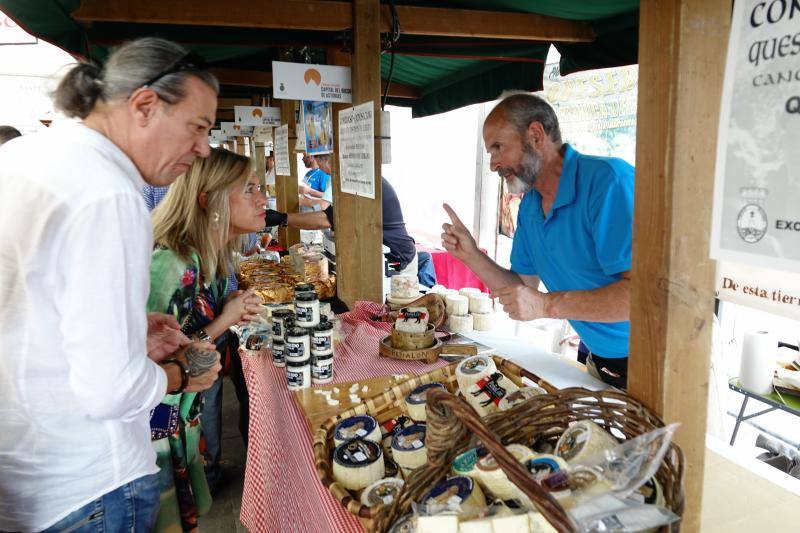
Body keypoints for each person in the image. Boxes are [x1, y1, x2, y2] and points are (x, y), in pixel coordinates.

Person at [0, 37, 222, 532]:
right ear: (144, 105)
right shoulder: (109, 193)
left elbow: (33, 308)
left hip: (26, 477)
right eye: (197, 127)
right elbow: (112, 392)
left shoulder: (25, 156)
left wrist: (128, 327)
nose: (204, 148)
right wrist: (182, 374)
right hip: (90, 483)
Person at [441, 93, 634, 389]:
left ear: (535, 135)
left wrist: (546, 306)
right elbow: (523, 287)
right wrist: (470, 255)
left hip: (656, 360)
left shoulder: (608, 182)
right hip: (601, 361)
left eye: (498, 148)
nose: (493, 164)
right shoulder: (530, 206)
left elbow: (642, 298)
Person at [148, 147, 264, 530]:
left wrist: (225, 310)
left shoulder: (207, 258)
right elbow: (153, 369)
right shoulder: (174, 262)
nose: (262, 198)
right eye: (248, 188)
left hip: (182, 421)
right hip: (156, 435)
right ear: (209, 200)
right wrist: (223, 321)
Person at [266, 176, 437, 286]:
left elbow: (326, 219)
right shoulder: (356, 180)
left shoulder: (364, 182)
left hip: (397, 260)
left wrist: (284, 218)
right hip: (379, 257)